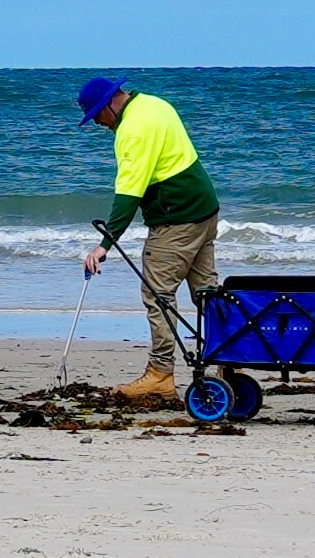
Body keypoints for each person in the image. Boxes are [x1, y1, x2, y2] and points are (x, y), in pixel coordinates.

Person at [75, 76, 221, 406]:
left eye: (98, 115)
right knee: (207, 294)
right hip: (205, 208)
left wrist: (105, 245)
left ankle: (160, 375)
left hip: (177, 218)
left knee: (157, 294)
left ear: (112, 102)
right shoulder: (154, 104)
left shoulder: (132, 131)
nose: (99, 123)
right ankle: (227, 361)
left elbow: (128, 193)